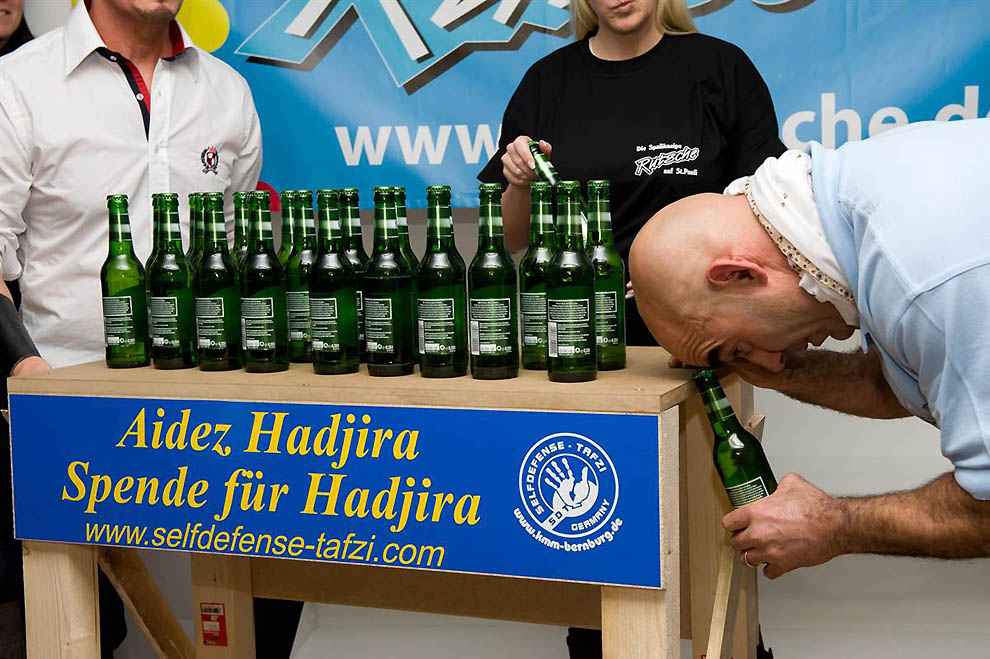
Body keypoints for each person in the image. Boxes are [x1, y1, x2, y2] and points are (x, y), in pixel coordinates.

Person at [0, 0, 272, 654]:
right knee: (78, 628)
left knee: (260, 601)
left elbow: (233, 256)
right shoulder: (19, 85)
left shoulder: (228, 92)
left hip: (206, 418)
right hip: (65, 411)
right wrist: (29, 375)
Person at [629, 118, 990, 580]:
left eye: (736, 347)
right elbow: (901, 382)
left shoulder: (924, 280)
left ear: (739, 274)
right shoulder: (859, 197)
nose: (762, 359)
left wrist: (833, 525)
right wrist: (784, 373)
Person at [479, 0, 784, 348]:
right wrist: (520, 183)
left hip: (704, 331)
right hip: (580, 336)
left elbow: (769, 208)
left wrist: (673, 274)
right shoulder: (546, 82)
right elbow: (511, 240)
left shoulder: (720, 67)